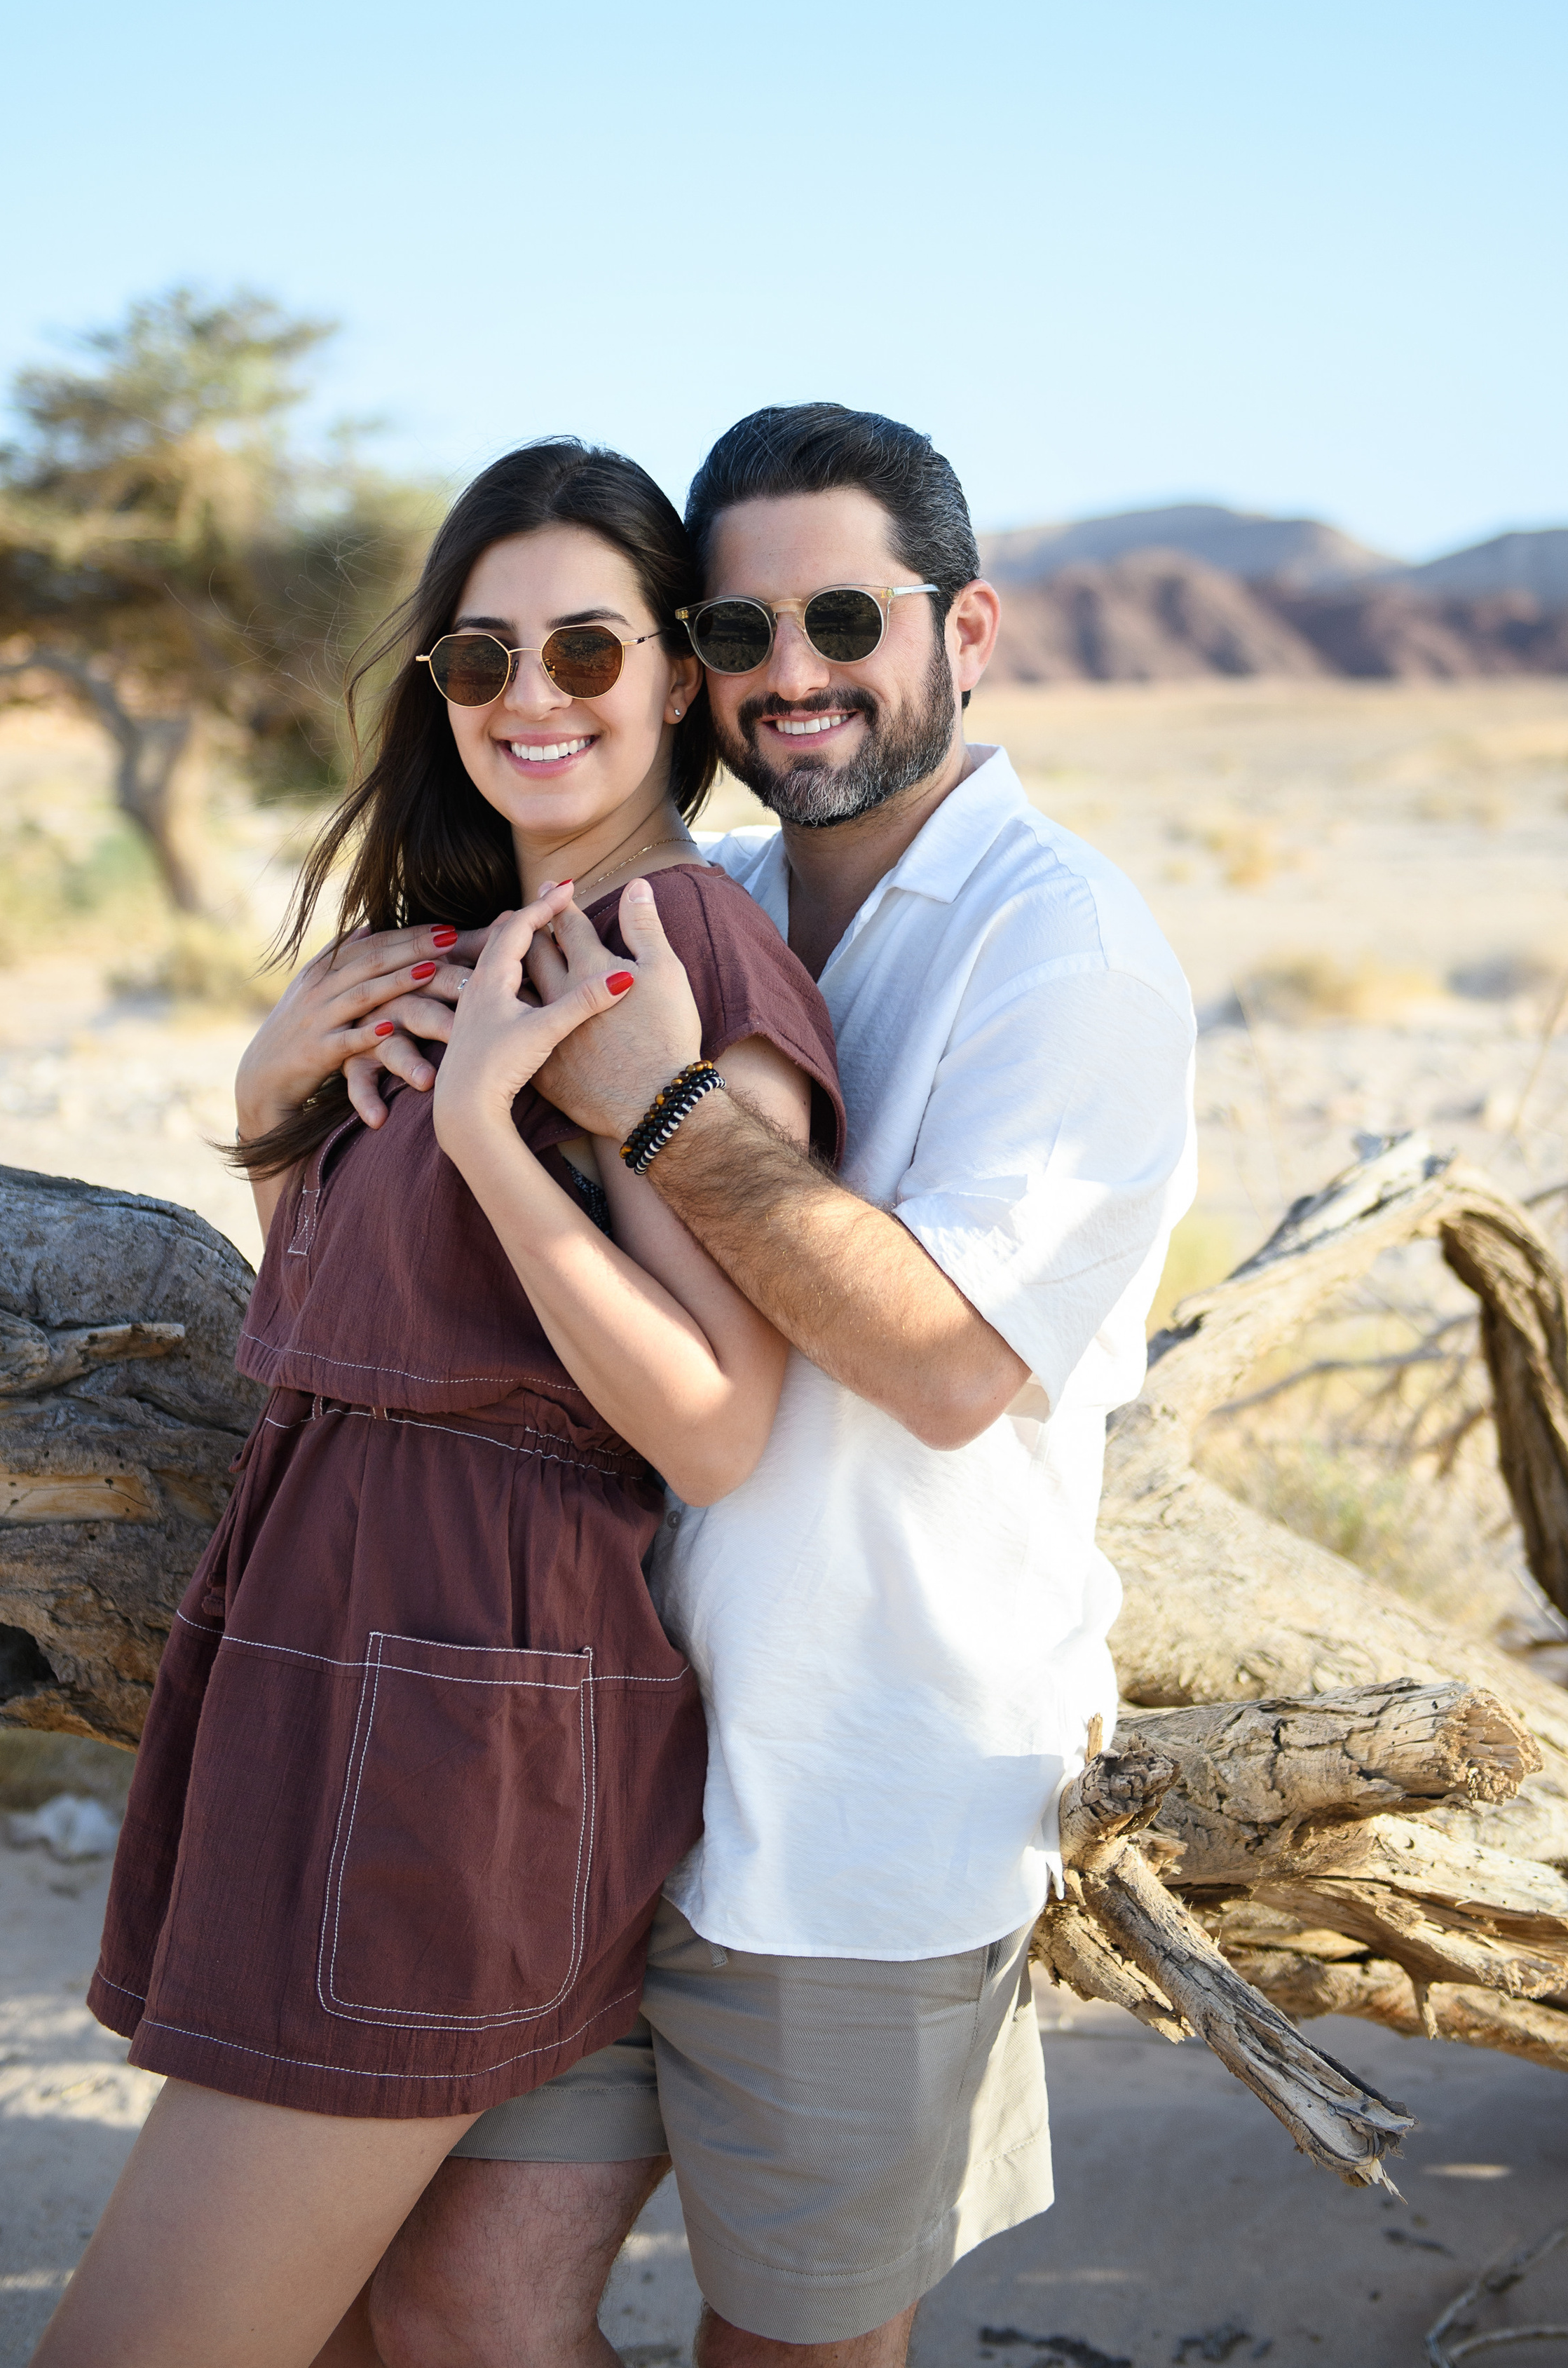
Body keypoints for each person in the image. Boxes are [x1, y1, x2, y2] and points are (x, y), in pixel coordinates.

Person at [350, 404, 1198, 2368]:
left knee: (794, 2347)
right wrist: (274, 1067)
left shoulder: (1059, 947)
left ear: (964, 629)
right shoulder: (700, 894)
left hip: (861, 1801)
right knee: (453, 2304)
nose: (792, 673)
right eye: (736, 634)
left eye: (845, 618)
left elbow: (942, 1365)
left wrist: (646, 1102)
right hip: (586, 1764)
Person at [32, 440, 842, 2368]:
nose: (530, 703)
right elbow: (384, 1322)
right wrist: (265, 1117)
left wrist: (480, 1125)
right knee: (352, 2339)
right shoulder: (462, 951)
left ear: (674, 680)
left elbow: (720, 1422)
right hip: (318, 1669)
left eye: (584, 652)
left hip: (453, 1711)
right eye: (480, 665)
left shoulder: (674, 956)